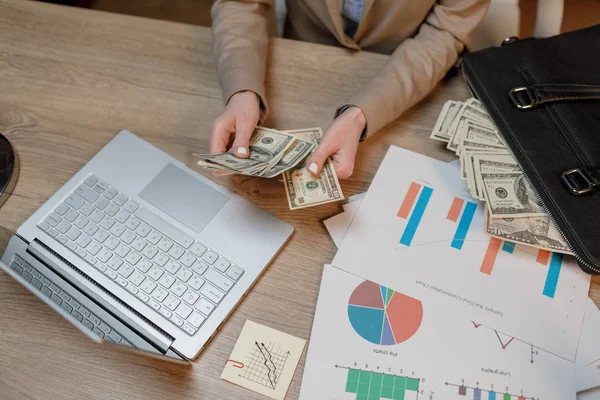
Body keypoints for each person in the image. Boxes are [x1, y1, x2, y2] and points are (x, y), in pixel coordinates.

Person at [210, 0, 490, 179]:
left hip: (405, 75)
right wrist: (242, 88)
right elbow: (241, 4)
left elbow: (445, 32)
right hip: (301, 59)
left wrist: (362, 115)